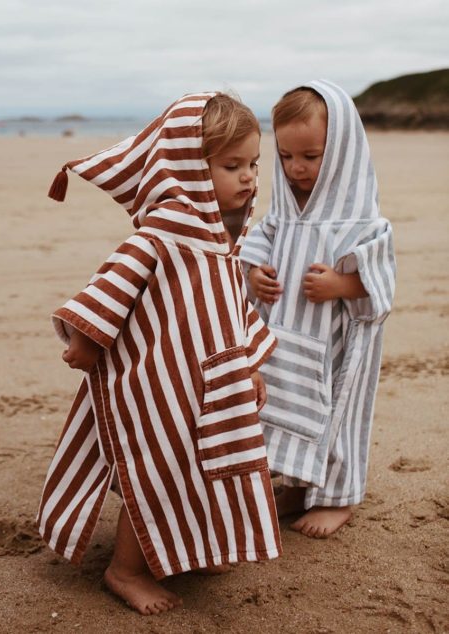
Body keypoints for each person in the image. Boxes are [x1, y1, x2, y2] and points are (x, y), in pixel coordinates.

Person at [37, 93, 282, 615]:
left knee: (209, 467)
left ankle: (192, 548)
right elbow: (112, 285)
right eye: (231, 165)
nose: (248, 177)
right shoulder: (161, 236)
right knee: (158, 470)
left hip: (213, 386)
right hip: (159, 384)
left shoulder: (222, 242)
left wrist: (250, 365)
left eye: (254, 164)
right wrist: (85, 341)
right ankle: (124, 570)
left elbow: (232, 308)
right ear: (189, 168)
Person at [240, 80, 396, 539]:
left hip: (339, 343)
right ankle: (293, 485)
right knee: (283, 407)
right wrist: (255, 275)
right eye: (286, 156)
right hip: (287, 335)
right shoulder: (285, 209)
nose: (297, 168)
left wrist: (343, 283)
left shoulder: (361, 217)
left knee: (337, 415)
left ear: (342, 149)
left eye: (311, 156)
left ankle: (338, 497)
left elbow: (382, 277)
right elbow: (258, 241)